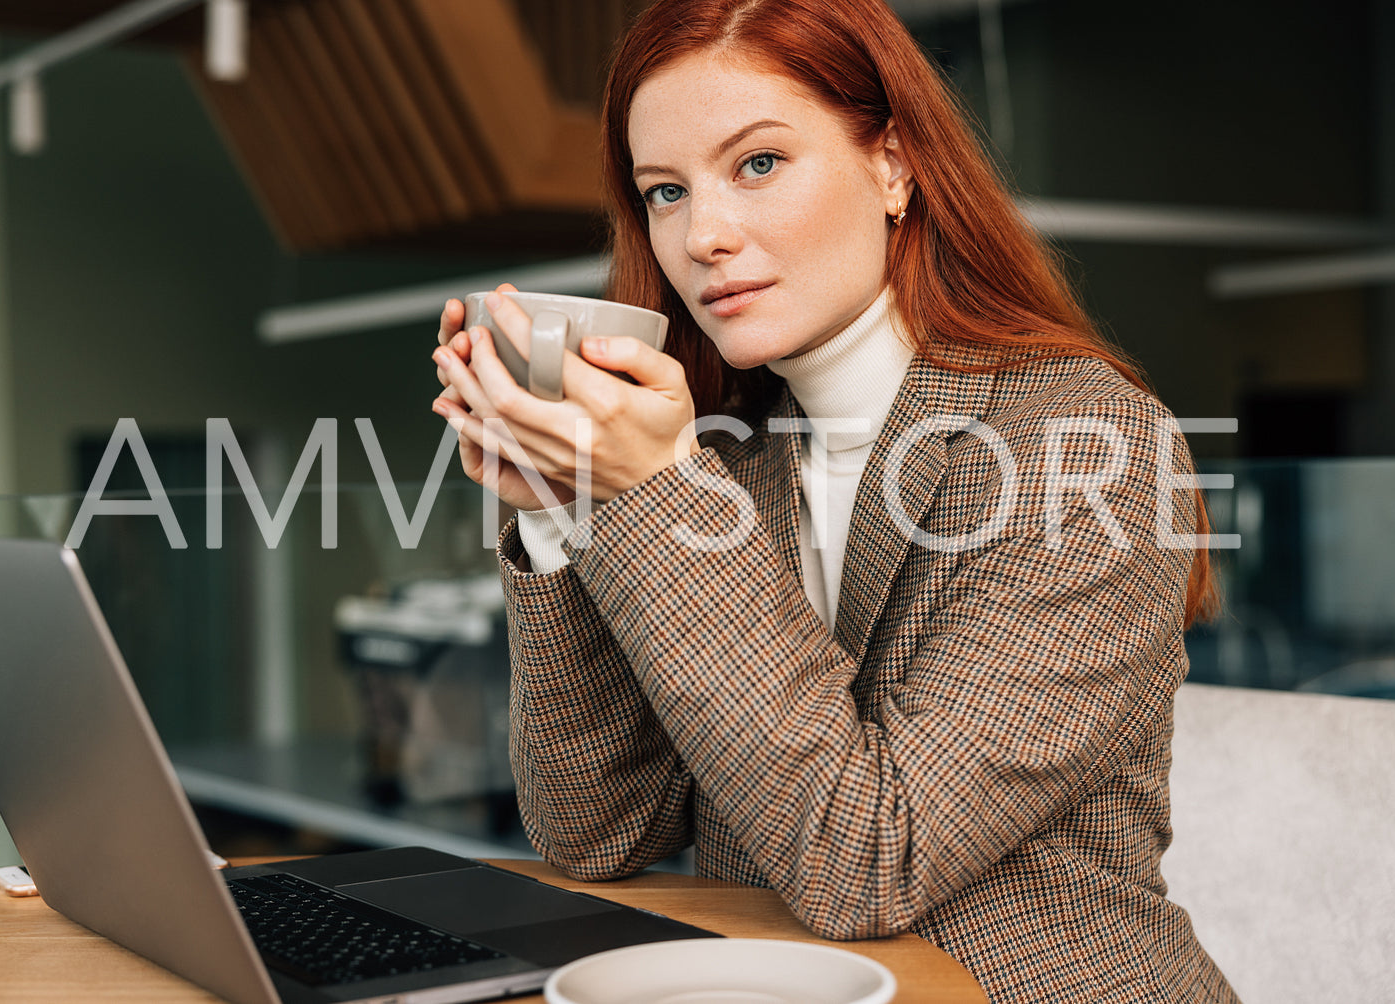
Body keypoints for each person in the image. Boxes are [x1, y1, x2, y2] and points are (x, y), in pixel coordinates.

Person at [430, 0, 1238, 1000]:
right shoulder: (727, 452)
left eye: (757, 164)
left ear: (892, 164)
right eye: (665, 191)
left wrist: (653, 490)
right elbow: (594, 830)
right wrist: (563, 507)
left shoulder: (1084, 446)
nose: (704, 235)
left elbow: (867, 856)